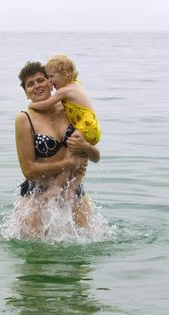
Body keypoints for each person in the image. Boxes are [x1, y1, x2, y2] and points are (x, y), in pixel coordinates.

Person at [14, 61, 100, 238]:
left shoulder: (69, 109)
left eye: (40, 80)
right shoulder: (24, 119)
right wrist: (68, 163)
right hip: (38, 196)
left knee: (83, 261)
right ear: (26, 93)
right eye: (30, 84)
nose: (37, 86)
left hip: (73, 194)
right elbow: (29, 170)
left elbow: (96, 157)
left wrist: (85, 148)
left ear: (50, 82)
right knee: (35, 260)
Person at [28, 54, 101, 199]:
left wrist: (32, 105)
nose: (50, 81)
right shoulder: (76, 85)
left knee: (71, 151)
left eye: (51, 77)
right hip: (91, 124)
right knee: (80, 156)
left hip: (85, 123)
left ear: (65, 74)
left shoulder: (65, 91)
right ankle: (72, 189)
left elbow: (46, 104)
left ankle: (57, 188)